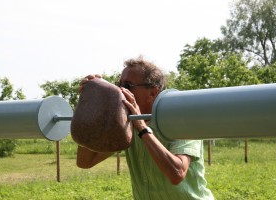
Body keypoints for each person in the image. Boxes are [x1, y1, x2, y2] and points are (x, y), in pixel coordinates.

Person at [76, 56, 214, 200]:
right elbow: (85, 161)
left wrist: (142, 128)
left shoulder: (182, 119)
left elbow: (177, 173)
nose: (120, 90)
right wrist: (95, 105)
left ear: (152, 93)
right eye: (119, 84)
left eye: (128, 86)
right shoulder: (126, 125)